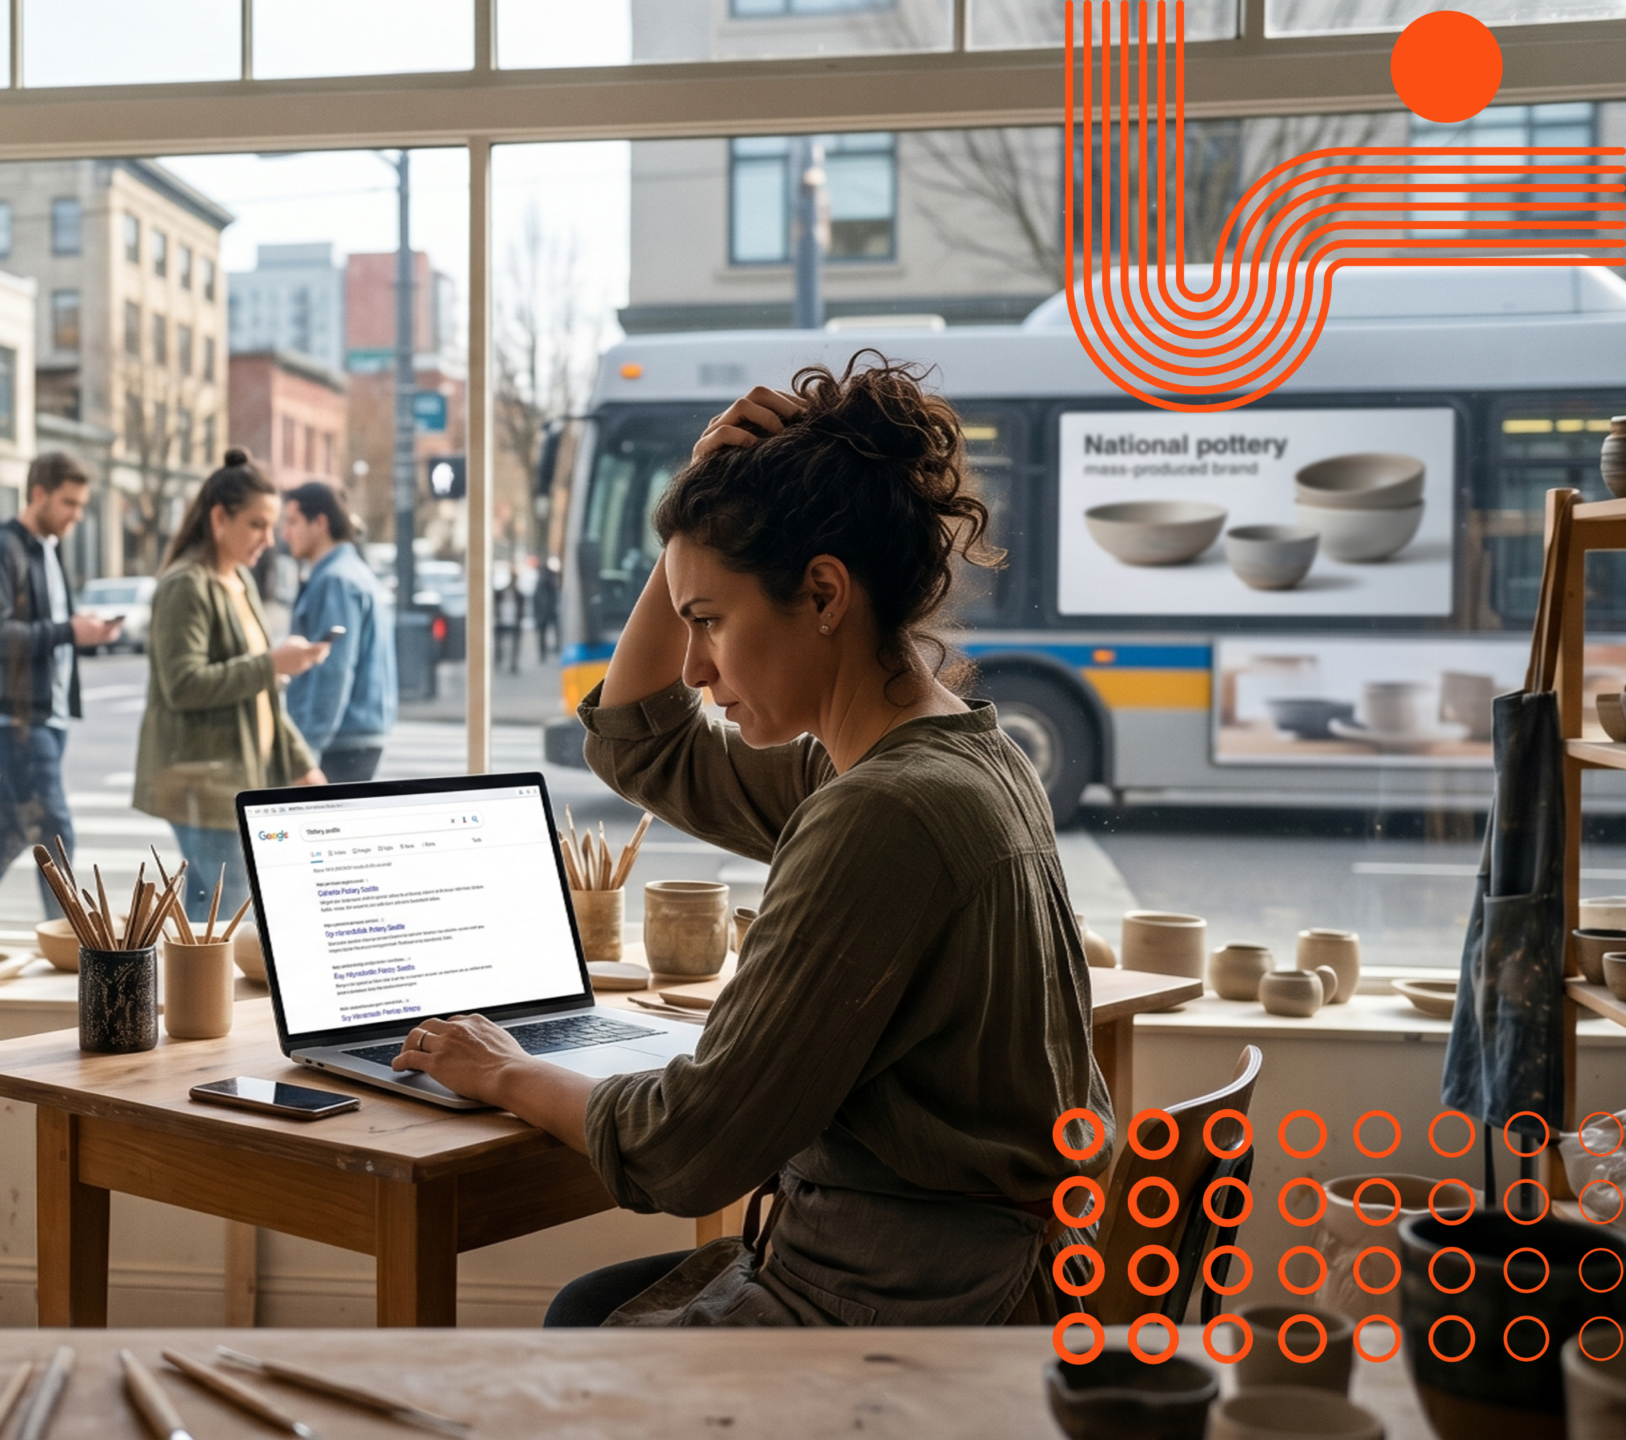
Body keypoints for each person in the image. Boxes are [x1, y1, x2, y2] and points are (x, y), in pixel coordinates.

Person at [384, 358, 1112, 1329]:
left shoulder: (882, 812)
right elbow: (644, 740)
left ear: (821, 594)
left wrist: (500, 1068)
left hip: (898, 1306)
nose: (691, 666)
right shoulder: (952, 757)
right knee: (581, 1307)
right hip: (964, 1271)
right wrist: (697, 523)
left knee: (557, 1351)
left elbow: (689, 1148)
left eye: (712, 623)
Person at [135, 450, 331, 924]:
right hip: (202, 783)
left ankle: (194, 998)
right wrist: (271, 663)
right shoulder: (187, 585)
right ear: (219, 518)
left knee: (212, 918)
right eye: (257, 525)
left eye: (272, 525)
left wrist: (302, 763)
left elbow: (261, 696)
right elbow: (183, 684)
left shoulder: (238, 580)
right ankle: (206, 999)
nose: (269, 539)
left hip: (230, 781)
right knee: (231, 917)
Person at [0, 453, 121, 917]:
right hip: (14, 718)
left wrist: (82, 631)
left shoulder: (48, 549)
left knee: (10, 834)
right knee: (55, 832)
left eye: (81, 504)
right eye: (69, 502)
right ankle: (68, 947)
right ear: (38, 494)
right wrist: (71, 630)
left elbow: (46, 629)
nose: (77, 514)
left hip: (43, 717)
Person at [281, 481, 396, 784]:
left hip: (340, 740)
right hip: (355, 735)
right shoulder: (352, 572)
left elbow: (333, 669)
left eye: (293, 521)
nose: (285, 533)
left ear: (320, 523)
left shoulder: (336, 580)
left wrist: (305, 751)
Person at [492, 563, 525, 675]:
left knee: (515, 644)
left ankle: (513, 664)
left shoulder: (519, 595)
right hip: (501, 621)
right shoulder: (501, 593)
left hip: (514, 622)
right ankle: (498, 659)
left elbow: (522, 609)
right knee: (499, 643)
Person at [532, 554, 562, 663]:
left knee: (544, 634)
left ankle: (544, 653)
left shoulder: (540, 585)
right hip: (548, 612)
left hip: (545, 612)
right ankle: (546, 652)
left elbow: (535, 600)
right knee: (550, 633)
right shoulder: (548, 583)